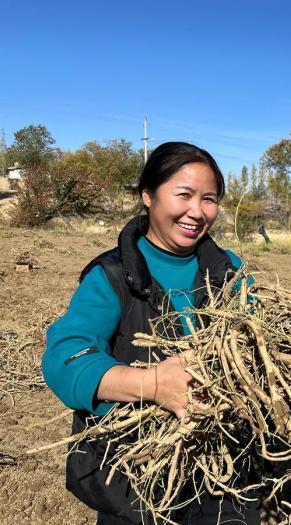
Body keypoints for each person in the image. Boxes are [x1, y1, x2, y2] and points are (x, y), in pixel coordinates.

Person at [42, 142, 259, 524]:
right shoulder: (110, 277)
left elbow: (262, 338)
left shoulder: (231, 272)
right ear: (148, 196)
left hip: (227, 480)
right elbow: (64, 358)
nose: (197, 211)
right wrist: (152, 385)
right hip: (138, 482)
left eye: (209, 199)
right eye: (184, 195)